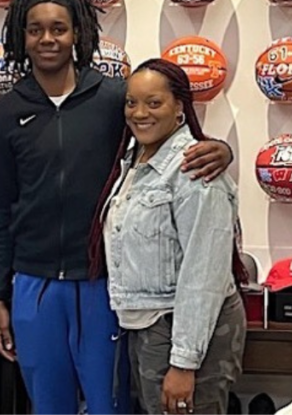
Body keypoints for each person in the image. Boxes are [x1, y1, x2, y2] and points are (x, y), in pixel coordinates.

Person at [0, 0, 233, 415]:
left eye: (59, 28)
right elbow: (2, 210)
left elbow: (166, 135)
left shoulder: (115, 99)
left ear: (78, 33)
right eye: (36, 29)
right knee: (48, 405)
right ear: (20, 37)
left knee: (109, 405)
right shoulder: (4, 112)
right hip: (34, 284)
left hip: (103, 287)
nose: (48, 39)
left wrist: (222, 150)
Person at [95, 59, 246, 415]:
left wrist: (184, 363)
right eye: (132, 102)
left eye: (154, 102)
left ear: (179, 107)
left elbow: (204, 274)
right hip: (150, 325)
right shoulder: (134, 160)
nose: (139, 112)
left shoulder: (195, 170)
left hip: (184, 330)